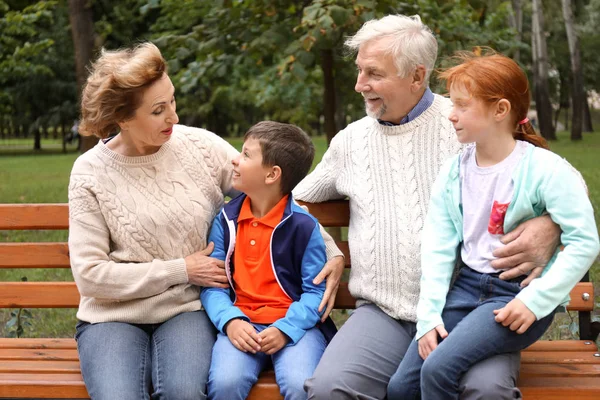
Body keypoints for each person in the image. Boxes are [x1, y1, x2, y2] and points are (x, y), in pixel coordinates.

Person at [296, 15, 564, 400]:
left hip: (470, 306)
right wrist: (331, 247)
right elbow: (293, 202)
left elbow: (560, 184)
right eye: (359, 71)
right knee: (328, 390)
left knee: (487, 391)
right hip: (384, 313)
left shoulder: (469, 122)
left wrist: (550, 224)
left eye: (373, 73)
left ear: (416, 77)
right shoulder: (350, 142)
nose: (359, 85)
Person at [68, 42, 344, 400]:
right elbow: (91, 276)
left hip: (187, 309)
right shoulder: (89, 173)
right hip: (112, 316)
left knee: (184, 392)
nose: (174, 118)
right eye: (158, 111)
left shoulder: (198, 146)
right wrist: (181, 269)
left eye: (172, 101)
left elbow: (272, 197)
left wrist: (330, 249)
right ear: (122, 118)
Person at [386, 52, 600, 400]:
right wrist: (428, 318)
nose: (451, 115)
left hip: (514, 296)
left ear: (500, 110)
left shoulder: (545, 170)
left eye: (462, 106)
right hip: (466, 289)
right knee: (400, 388)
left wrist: (535, 299)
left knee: (438, 367)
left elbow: (584, 241)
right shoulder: (454, 172)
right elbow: (438, 249)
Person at [201, 121, 337, 400]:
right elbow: (213, 285)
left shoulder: (303, 227)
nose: (235, 159)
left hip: (294, 326)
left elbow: (316, 292)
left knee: (300, 385)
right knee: (226, 383)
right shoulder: (226, 220)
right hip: (241, 324)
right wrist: (230, 321)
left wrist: (285, 329)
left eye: (247, 155)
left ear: (272, 174)